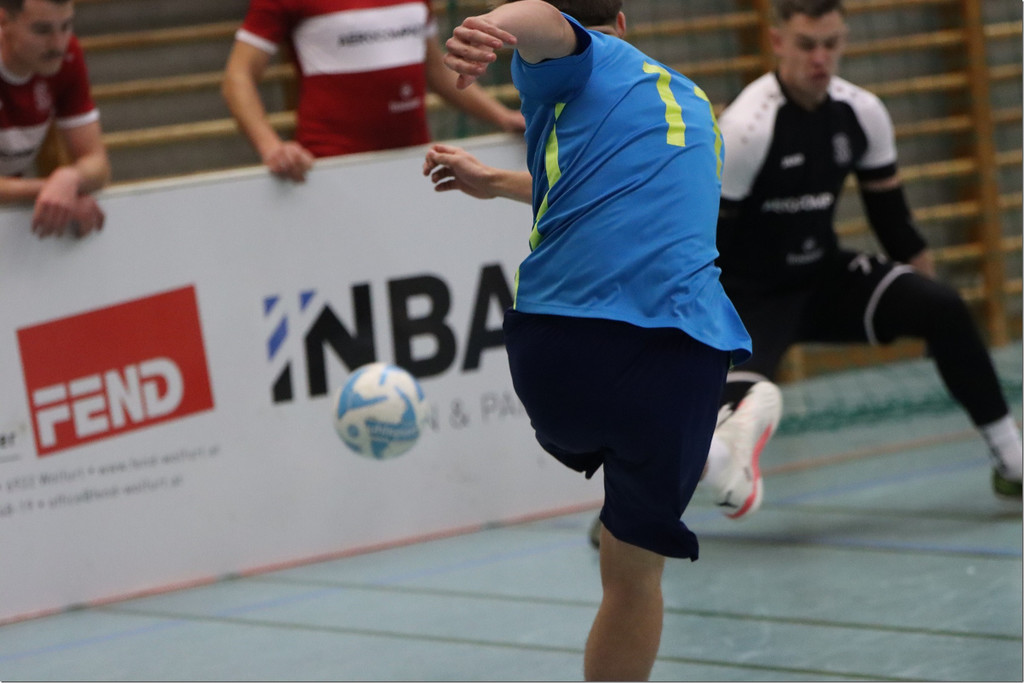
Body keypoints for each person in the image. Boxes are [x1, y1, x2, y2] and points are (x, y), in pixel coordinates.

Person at [427, 0, 752, 679]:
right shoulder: (692, 102)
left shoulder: (574, 59)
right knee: (633, 580)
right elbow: (619, 182)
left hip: (559, 355)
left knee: (611, 446)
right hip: (680, 353)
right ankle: (716, 453)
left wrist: (489, 25)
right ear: (624, 21)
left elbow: (545, 25)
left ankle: (715, 454)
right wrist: (501, 27)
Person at [711, 0, 1022, 507]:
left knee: (944, 307)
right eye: (807, 45)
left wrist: (927, 296)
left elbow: (893, 221)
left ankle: (1012, 462)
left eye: (830, 45)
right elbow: (708, 243)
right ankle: (631, 512)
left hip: (825, 280)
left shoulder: (862, 111)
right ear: (778, 42)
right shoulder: (747, 129)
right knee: (722, 419)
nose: (820, 58)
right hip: (751, 299)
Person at [222, 0, 526, 183]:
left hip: (417, 164)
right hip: (330, 169)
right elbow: (238, 75)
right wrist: (271, 148)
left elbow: (433, 67)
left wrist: (502, 116)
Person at [0, 0, 109, 238]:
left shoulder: (67, 56)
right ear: (4, 21)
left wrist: (70, 178)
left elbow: (97, 163)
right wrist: (55, 190)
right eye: (42, 30)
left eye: (66, 26)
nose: (58, 44)